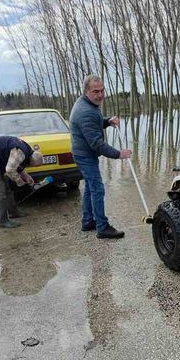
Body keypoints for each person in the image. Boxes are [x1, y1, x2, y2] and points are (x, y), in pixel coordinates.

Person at [69, 75, 132, 239]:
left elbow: (94, 123)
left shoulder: (88, 104)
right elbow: (97, 144)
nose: (100, 94)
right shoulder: (85, 111)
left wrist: (107, 121)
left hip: (83, 152)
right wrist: (119, 154)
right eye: (95, 91)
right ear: (86, 91)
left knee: (90, 187)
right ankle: (102, 227)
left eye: (102, 90)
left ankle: (88, 221)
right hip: (85, 155)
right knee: (97, 188)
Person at [0, 135, 43, 228]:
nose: (32, 167)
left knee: (6, 188)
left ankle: (14, 213)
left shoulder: (28, 151)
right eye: (34, 166)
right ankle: (3, 221)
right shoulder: (21, 152)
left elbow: (17, 164)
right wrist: (19, 181)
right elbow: (10, 170)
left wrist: (26, 176)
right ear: (31, 161)